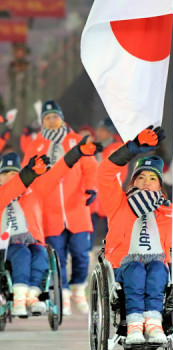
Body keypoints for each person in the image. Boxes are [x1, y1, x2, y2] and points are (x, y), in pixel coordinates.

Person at [97, 126, 173, 344]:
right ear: (133, 181)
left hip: (157, 269)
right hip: (121, 269)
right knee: (137, 268)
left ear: (160, 184)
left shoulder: (170, 212)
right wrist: (132, 149)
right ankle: (135, 324)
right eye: (140, 177)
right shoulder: (119, 203)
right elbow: (104, 173)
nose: (146, 182)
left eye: (152, 178)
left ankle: (154, 323)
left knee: (158, 268)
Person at [0, 137, 101, 317]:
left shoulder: (34, 191)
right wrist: (28, 173)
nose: (9, 177)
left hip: (33, 241)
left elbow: (56, 173)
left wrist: (75, 153)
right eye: (5, 173)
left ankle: (33, 295)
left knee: (41, 254)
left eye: (13, 173)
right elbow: (13, 188)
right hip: (7, 246)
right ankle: (19, 299)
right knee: (22, 253)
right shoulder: (2, 193)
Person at [22, 100, 99, 315]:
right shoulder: (36, 145)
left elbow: (90, 167)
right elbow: (27, 175)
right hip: (49, 210)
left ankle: (78, 290)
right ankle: (63, 294)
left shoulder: (76, 141)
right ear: (42, 121)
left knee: (82, 254)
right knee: (57, 255)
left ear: (62, 117)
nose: (52, 120)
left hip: (77, 207)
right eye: (47, 117)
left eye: (55, 116)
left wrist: (91, 188)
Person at [90, 117, 128, 247]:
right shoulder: (94, 147)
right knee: (90, 228)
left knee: (112, 230)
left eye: (102, 130)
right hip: (94, 196)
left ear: (110, 132)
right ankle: (91, 253)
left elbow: (120, 174)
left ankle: (113, 256)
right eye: (98, 130)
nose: (98, 133)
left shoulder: (117, 148)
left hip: (110, 195)